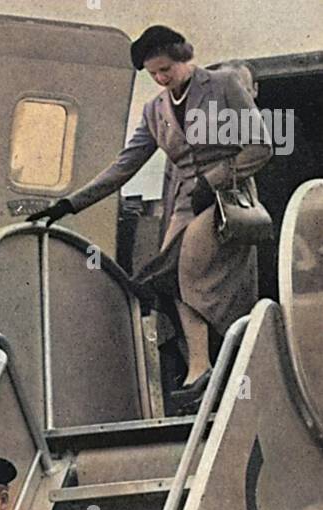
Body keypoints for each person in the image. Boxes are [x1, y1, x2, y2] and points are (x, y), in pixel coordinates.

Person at [28, 24, 273, 411]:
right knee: (170, 279)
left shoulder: (224, 85)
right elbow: (124, 166)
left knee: (187, 271)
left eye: (167, 69)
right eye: (154, 73)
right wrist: (69, 204)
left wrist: (214, 179)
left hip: (225, 198)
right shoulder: (155, 110)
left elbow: (261, 147)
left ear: (183, 58)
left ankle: (215, 366)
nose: (161, 78)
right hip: (183, 206)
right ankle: (200, 366)